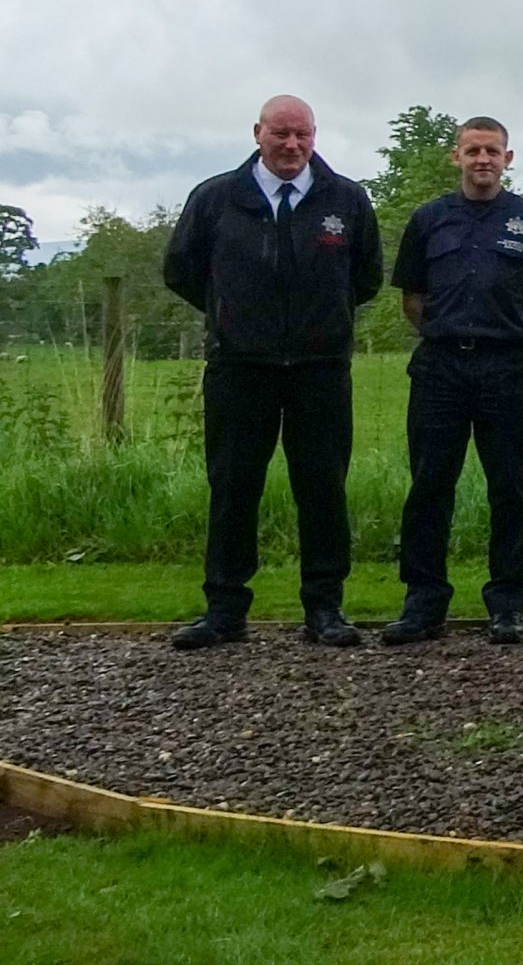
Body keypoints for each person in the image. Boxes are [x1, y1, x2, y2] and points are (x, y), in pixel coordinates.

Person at [162, 94, 383, 650]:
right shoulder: (216, 199)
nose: (292, 146)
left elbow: (366, 278)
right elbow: (183, 271)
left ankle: (325, 609)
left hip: (319, 369)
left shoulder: (347, 201)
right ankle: (224, 610)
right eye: (280, 134)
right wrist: (233, 314)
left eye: (302, 135)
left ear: (315, 136)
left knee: (323, 489)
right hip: (241, 367)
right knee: (234, 487)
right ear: (257, 132)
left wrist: (319, 320)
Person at [381, 116, 523, 647]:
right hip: (440, 370)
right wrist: (442, 332)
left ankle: (506, 604)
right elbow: (412, 295)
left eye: (493, 151)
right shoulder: (429, 219)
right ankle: (423, 603)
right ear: (456, 156)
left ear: (509, 158)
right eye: (473, 150)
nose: (483, 160)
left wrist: (521, 338)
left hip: (505, 369)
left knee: (511, 488)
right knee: (431, 487)